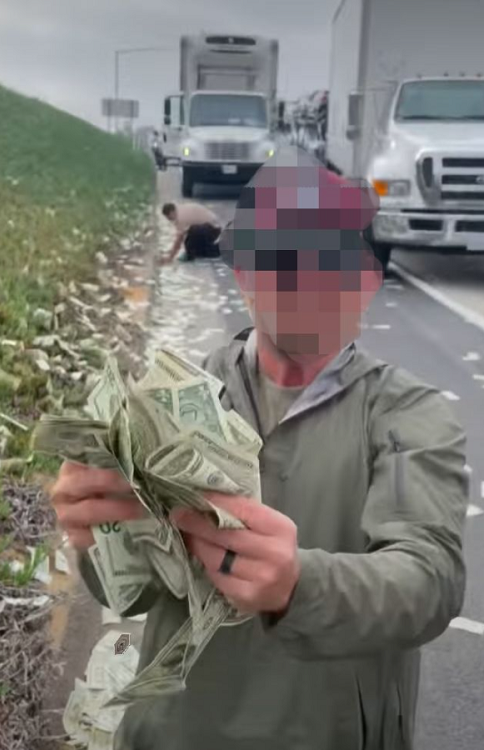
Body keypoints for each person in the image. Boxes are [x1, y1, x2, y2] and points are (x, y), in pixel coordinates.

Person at [49, 148, 469, 750]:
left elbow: (428, 579)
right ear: (243, 273)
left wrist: (300, 584)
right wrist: (95, 537)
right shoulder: (167, 403)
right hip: (177, 731)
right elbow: (133, 588)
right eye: (276, 259)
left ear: (366, 281)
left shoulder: (407, 416)